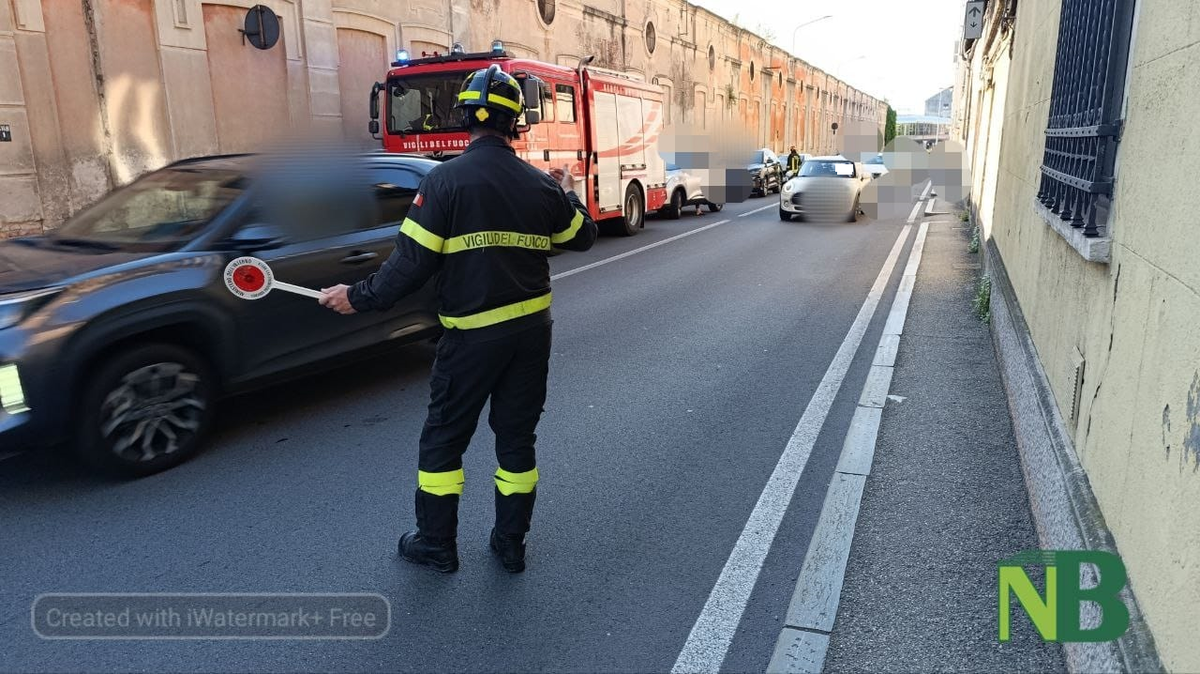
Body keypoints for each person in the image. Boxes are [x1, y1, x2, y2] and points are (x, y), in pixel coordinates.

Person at [319, 65, 597, 575]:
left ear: (465, 115)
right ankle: (511, 545)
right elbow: (581, 237)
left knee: (444, 439)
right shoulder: (540, 187)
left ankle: (436, 544)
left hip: (471, 339)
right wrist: (568, 190)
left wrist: (355, 297)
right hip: (531, 335)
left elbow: (409, 266)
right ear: (517, 123)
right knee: (516, 439)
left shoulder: (444, 182)